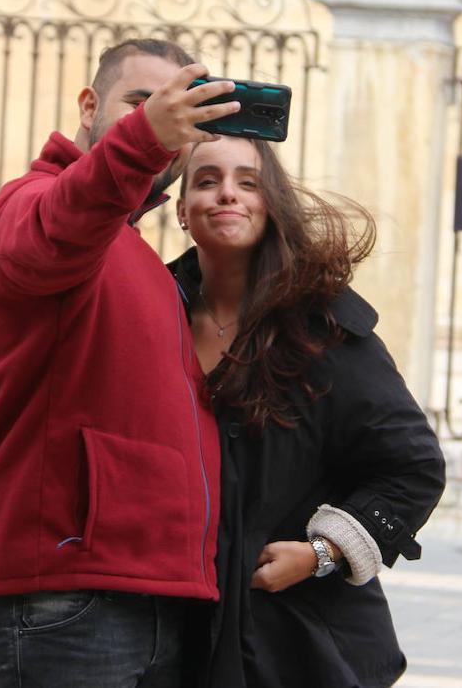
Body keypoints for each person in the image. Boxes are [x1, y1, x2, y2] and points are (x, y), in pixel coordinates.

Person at [0, 39, 241, 687]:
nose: (159, 125)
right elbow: (63, 224)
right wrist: (143, 140)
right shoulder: (30, 202)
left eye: (179, 114)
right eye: (140, 104)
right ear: (89, 106)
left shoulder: (137, 253)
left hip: (155, 596)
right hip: (63, 599)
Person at [170, 136, 446, 687]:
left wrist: (320, 552)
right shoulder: (156, 310)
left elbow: (415, 467)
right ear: (181, 211)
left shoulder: (321, 328)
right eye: (207, 181)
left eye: (248, 182)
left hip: (299, 645)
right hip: (179, 636)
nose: (227, 194)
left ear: (271, 204)